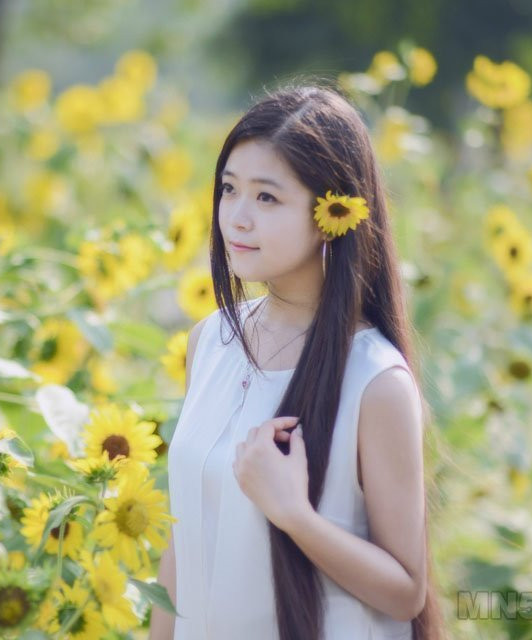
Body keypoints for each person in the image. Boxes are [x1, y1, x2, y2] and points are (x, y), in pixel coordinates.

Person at [149, 83, 445, 639]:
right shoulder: (209, 342)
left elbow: (406, 590)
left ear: (333, 214)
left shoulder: (374, 379)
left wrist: (294, 515)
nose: (235, 218)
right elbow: (183, 537)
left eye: (267, 198)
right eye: (229, 189)